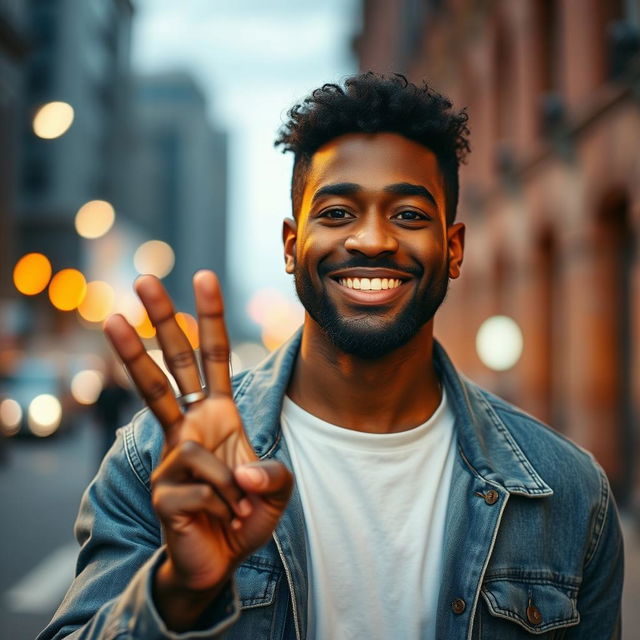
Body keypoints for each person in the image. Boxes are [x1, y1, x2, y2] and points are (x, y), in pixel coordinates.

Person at [39, 73, 623, 640]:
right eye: (338, 213)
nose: (371, 239)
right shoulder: (160, 462)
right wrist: (178, 593)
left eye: (410, 215)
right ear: (292, 247)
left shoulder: (568, 492)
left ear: (453, 247)